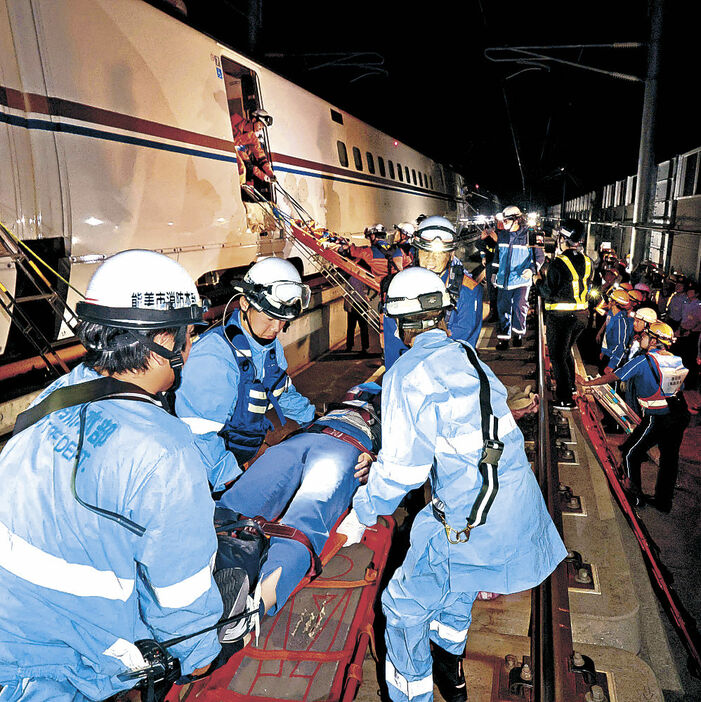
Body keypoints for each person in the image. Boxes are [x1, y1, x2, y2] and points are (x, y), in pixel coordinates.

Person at [0, 251, 235, 700]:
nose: (190, 346)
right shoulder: (164, 451)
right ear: (163, 340)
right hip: (56, 667)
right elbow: (181, 601)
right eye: (188, 333)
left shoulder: (56, 396)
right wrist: (202, 653)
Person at [338, 267, 567, 702]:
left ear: (400, 323)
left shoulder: (405, 373)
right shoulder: (467, 355)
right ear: (444, 314)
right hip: (516, 503)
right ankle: (450, 663)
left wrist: (361, 513)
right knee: (459, 584)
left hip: (469, 516)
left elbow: (404, 472)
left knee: (402, 607)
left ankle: (413, 694)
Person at [219, 383, 382, 616]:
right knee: (235, 504)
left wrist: (378, 464)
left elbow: (410, 459)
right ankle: (209, 571)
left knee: (303, 521)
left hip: (351, 449)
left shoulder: (412, 402)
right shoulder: (366, 387)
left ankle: (250, 612)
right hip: (307, 436)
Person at [578, 321, 690, 512]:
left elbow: (615, 376)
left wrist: (588, 384)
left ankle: (635, 497)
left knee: (631, 452)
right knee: (670, 459)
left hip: (657, 417)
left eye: (646, 335)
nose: (642, 337)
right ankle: (664, 502)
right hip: (679, 414)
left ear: (654, 340)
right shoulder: (676, 359)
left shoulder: (643, 361)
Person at [382, 216, 483, 370]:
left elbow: (463, 342)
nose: (431, 260)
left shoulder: (467, 291)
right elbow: (393, 346)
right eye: (425, 252)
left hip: (449, 372)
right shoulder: (400, 288)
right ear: (416, 252)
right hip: (407, 371)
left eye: (438, 254)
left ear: (451, 255)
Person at [537, 218, 593, 410]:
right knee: (565, 351)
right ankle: (570, 386)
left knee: (557, 357)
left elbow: (547, 292)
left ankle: (565, 399)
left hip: (561, 318)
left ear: (564, 238)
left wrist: (537, 279)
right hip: (581, 317)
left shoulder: (558, 264)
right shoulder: (587, 262)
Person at [493, 205, 544, 349]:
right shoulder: (502, 235)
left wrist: (532, 269)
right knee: (502, 308)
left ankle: (518, 335)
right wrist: (493, 273)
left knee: (519, 307)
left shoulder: (531, 235)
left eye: (506, 221)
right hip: (503, 280)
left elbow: (539, 257)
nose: (504, 224)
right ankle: (503, 339)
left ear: (516, 220)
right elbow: (498, 256)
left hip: (521, 280)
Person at [230, 112, 276, 192]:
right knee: (242, 167)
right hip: (223, 146)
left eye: (263, 127)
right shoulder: (235, 118)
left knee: (247, 168)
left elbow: (261, 157)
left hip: (234, 151)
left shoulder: (253, 139)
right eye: (260, 124)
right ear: (254, 119)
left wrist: (270, 174)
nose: (260, 128)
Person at [597, 288, 633, 373]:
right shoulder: (610, 314)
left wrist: (611, 366)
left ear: (615, 302)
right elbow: (607, 334)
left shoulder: (621, 321)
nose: (609, 301)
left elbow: (621, 345)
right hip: (607, 354)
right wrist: (603, 351)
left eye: (611, 300)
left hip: (614, 358)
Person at [344, 264, 371, 354]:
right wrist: (369, 298)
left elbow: (347, 293)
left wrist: (346, 306)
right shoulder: (365, 279)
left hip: (353, 305)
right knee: (363, 327)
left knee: (351, 327)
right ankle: (365, 347)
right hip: (363, 304)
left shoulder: (350, 279)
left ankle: (349, 346)